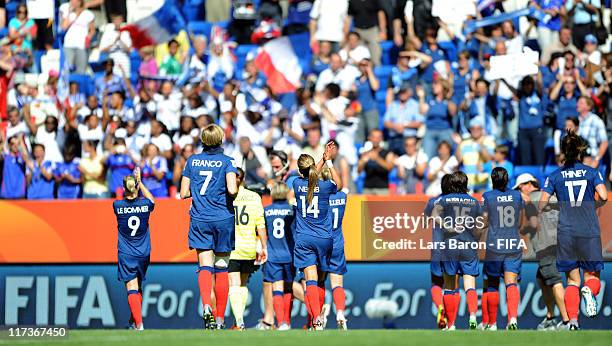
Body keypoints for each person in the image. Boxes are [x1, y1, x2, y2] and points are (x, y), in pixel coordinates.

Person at [538, 131, 608, 330]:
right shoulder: (591, 172)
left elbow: (542, 205)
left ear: (563, 151)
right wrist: (592, 205)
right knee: (592, 277)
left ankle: (573, 322)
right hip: (588, 230)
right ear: (580, 150)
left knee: (571, 280)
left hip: (566, 232)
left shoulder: (554, 175)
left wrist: (559, 206)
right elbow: (603, 196)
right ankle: (588, 290)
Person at [180, 124, 238, 330]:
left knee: (204, 265)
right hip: (222, 218)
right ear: (221, 139)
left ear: (203, 140)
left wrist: (199, 192)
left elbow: (183, 193)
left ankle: (206, 307)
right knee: (221, 267)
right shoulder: (228, 161)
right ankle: (220, 318)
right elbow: (232, 189)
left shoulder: (192, 161)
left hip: (200, 218)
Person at [292, 142, 342, 330]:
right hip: (325, 239)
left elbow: (308, 177)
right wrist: (327, 161)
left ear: (299, 170)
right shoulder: (326, 187)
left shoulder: (297, 184)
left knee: (310, 280)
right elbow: (339, 185)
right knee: (321, 280)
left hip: (305, 238)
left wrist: (321, 159)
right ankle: (320, 315)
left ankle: (316, 319)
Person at [515, 173, 569, 330]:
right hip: (563, 242)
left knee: (554, 280)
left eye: (519, 188)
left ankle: (567, 321)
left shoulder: (529, 200)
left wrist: (522, 228)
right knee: (542, 278)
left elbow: (533, 223)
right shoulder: (551, 195)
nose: (519, 192)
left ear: (528, 185)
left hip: (547, 245)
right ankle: (550, 317)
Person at [434, 171, 482, 330]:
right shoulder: (474, 202)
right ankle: (473, 316)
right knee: (470, 285)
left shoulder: (444, 199)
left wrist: (449, 227)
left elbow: (434, 216)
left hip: (450, 246)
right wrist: (475, 239)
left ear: (452, 184)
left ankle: (452, 324)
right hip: (468, 246)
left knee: (449, 286)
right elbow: (480, 225)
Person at [481, 167, 525, 330]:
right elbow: (520, 222)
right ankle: (512, 319)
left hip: (495, 245)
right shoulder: (517, 195)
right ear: (507, 179)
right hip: (513, 244)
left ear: (493, 179)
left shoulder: (487, 196)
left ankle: (492, 323)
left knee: (492, 284)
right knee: (511, 283)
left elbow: (483, 222)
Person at [112, 167, 155, 331]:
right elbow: (152, 200)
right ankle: (133, 321)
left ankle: (139, 324)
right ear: (136, 187)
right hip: (144, 253)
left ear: (123, 189)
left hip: (126, 253)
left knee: (131, 288)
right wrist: (141, 182)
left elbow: (126, 202)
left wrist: (134, 185)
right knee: (137, 288)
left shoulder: (117, 206)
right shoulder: (145, 204)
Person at [228, 168, 267, 330]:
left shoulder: (226, 197)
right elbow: (261, 224)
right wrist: (264, 246)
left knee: (234, 285)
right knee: (242, 285)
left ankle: (239, 321)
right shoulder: (254, 197)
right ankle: (239, 321)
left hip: (232, 248)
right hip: (249, 247)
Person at [263, 182, 296, 330]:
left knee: (277, 288)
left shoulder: (266, 211)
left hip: (273, 256)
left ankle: (281, 322)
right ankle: (287, 322)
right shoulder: (292, 211)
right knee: (288, 288)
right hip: (289, 255)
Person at [424, 173, 454, 329]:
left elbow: (424, 221)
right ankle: (451, 322)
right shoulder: (459, 201)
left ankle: (440, 307)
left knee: (436, 283)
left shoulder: (432, 201)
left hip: (437, 247)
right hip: (455, 248)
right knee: (452, 285)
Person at [321, 167, 348, 329]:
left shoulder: (319, 198)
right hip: (337, 242)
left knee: (318, 281)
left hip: (322, 243)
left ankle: (320, 314)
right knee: (337, 283)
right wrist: (331, 164)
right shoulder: (343, 196)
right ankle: (340, 312)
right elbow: (341, 184)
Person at [357, 129, 395, 195]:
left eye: (378, 137)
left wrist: (377, 159)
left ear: (382, 138)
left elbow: (390, 168)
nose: (375, 139)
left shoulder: (388, 153)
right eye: (373, 137)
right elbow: (359, 170)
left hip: (382, 189)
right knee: (366, 206)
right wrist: (363, 160)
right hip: (367, 188)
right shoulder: (365, 153)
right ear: (369, 138)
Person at [0, 134, 28, 199]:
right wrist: (3, 141)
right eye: (13, 144)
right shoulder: (5, 157)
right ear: (9, 145)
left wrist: (21, 141)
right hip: (6, 193)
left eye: (17, 144)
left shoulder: (22, 157)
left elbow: (26, 156)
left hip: (20, 193)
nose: (15, 146)